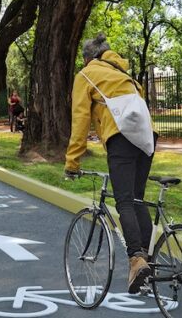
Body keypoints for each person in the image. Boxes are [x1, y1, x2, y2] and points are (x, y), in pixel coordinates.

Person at [64, 33, 157, 295]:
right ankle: (149, 264)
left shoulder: (86, 75)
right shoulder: (123, 73)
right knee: (137, 199)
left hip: (121, 138)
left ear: (86, 58)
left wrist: (72, 161)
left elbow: (80, 119)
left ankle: (136, 261)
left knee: (124, 200)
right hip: (147, 136)